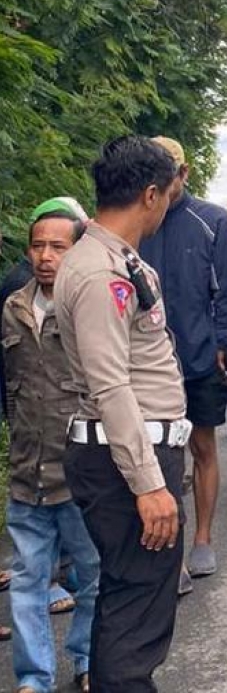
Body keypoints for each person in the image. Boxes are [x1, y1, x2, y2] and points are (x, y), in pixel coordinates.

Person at [57, 135, 189, 692]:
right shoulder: (99, 274)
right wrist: (148, 483)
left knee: (130, 594)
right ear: (152, 195)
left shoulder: (113, 258)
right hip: (125, 458)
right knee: (137, 607)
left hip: (130, 452)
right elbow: (111, 385)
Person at [3, 198, 101, 693]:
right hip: (27, 476)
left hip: (81, 475)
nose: (45, 256)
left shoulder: (90, 306)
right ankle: (32, 679)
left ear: (76, 251)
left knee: (93, 576)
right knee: (26, 583)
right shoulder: (13, 308)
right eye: (38, 245)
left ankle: (86, 660)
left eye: (58, 247)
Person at [139, 136, 227, 582]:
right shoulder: (136, 219)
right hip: (144, 362)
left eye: (171, 175)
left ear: (184, 174)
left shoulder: (212, 220)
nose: (163, 185)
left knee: (202, 447)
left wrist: (220, 345)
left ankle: (202, 538)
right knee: (158, 456)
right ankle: (170, 554)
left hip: (198, 357)